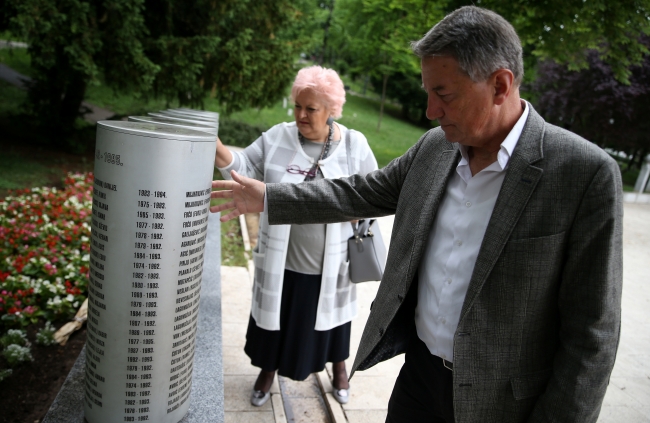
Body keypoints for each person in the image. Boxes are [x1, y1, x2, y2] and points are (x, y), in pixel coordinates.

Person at [210, 6, 623, 423]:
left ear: (500, 84)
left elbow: (592, 337)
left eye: (443, 94)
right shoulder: (434, 148)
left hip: (506, 405)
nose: (430, 110)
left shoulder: (583, 175)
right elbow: (362, 191)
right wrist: (271, 197)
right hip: (418, 383)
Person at [214, 65, 378, 407]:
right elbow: (243, 167)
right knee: (276, 320)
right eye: (298, 107)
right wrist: (217, 148)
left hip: (332, 264)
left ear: (332, 109)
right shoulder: (278, 137)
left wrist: (354, 211)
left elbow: (375, 194)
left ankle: (340, 368)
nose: (302, 115)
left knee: (333, 323)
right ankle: (267, 370)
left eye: (311, 109)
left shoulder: (354, 146)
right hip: (282, 260)